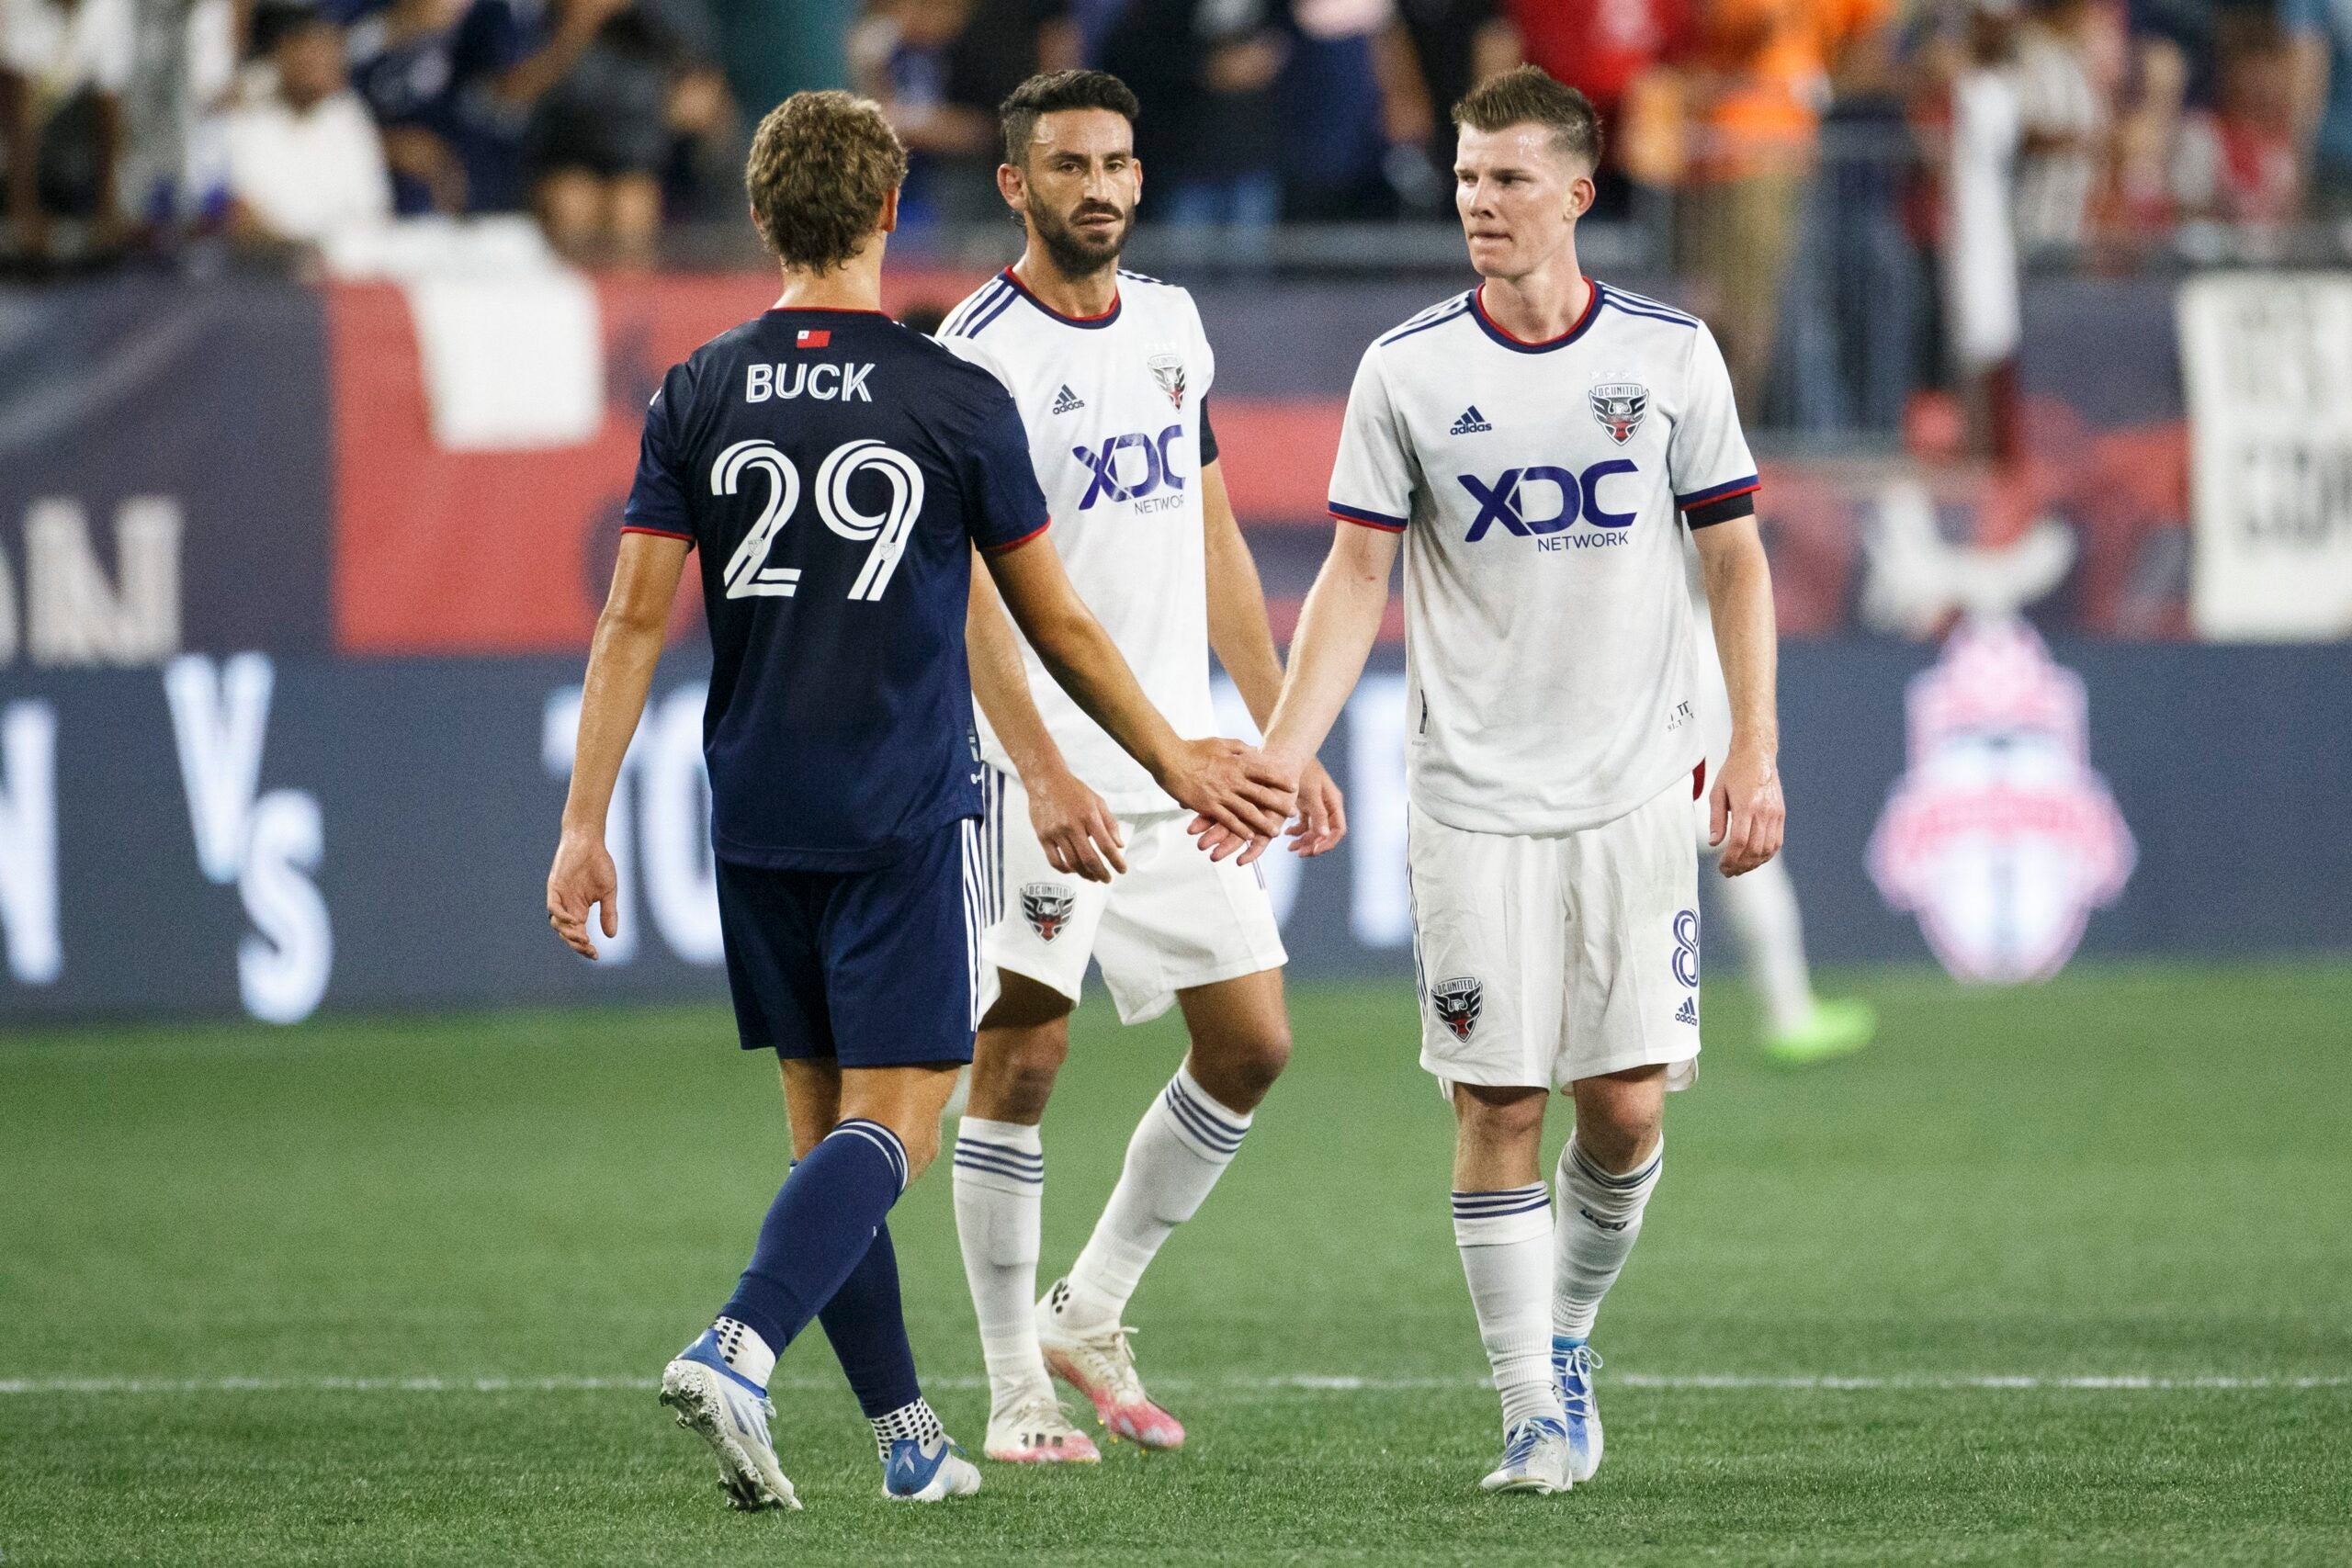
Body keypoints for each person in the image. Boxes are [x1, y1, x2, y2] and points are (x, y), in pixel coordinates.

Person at [543, 88, 1292, 1511]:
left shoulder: (696, 387)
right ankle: (742, 1336)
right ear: (896, 211)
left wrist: (584, 821)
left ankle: (905, 1437)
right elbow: (1052, 621)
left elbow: (630, 622)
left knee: (827, 1132)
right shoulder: (953, 387)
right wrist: (1172, 753)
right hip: (902, 798)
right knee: (911, 1110)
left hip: (751, 798)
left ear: (762, 218)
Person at [1215, 64, 1784, 1494]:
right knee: (1498, 1104)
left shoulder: (1668, 357)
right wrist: (1285, 743)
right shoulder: (1408, 368)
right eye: (1468, 178)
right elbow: (1356, 572)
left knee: (1631, 1106)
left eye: (1510, 178)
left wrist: (1757, 749)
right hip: (1471, 799)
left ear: (1578, 194)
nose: (1481, 202)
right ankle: (1530, 1405)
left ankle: (1570, 1330)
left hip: (1639, 789)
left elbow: (1734, 556)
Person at [935, 67, 1346, 1465]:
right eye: (1067, 167)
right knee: (1027, 1051)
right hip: (1039, 771)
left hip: (1182, 760)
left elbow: (1214, 532)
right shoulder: (975, 351)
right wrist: (1042, 764)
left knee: (1252, 1041)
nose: (1098, 187)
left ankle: (1089, 1304)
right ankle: (1012, 1388)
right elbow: (973, 593)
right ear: (1016, 185)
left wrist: (1283, 730)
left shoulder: (1173, 324)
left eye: (1116, 162)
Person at [220, 9, 395, 246]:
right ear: (282, 51)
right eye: (310, 49)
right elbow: (237, 211)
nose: (320, 61)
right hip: (263, 263)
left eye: (330, 51)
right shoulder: (243, 105)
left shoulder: (347, 113)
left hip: (341, 260)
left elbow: (375, 210)